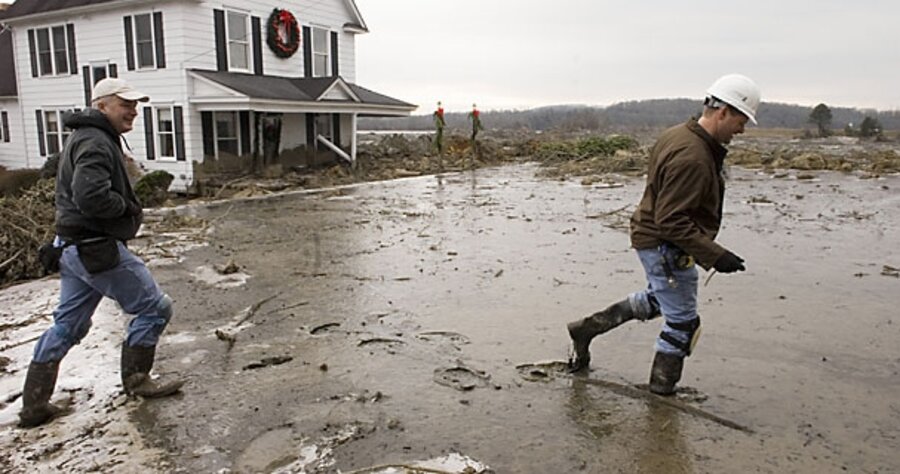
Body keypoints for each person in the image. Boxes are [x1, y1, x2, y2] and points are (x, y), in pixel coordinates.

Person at [566, 74, 761, 395]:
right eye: (742, 121)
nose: (742, 130)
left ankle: (586, 329)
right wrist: (716, 255)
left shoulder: (679, 135)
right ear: (723, 112)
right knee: (683, 323)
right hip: (664, 244)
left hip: (655, 238)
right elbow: (671, 221)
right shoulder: (693, 156)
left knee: (663, 299)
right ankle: (661, 393)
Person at [19, 78, 184, 428]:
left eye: (135, 104)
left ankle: (34, 405)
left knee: (68, 325)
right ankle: (138, 381)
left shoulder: (85, 138)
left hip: (71, 249)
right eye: (125, 104)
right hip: (96, 250)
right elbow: (90, 197)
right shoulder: (95, 142)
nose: (133, 111)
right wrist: (126, 207)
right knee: (156, 308)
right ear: (102, 106)